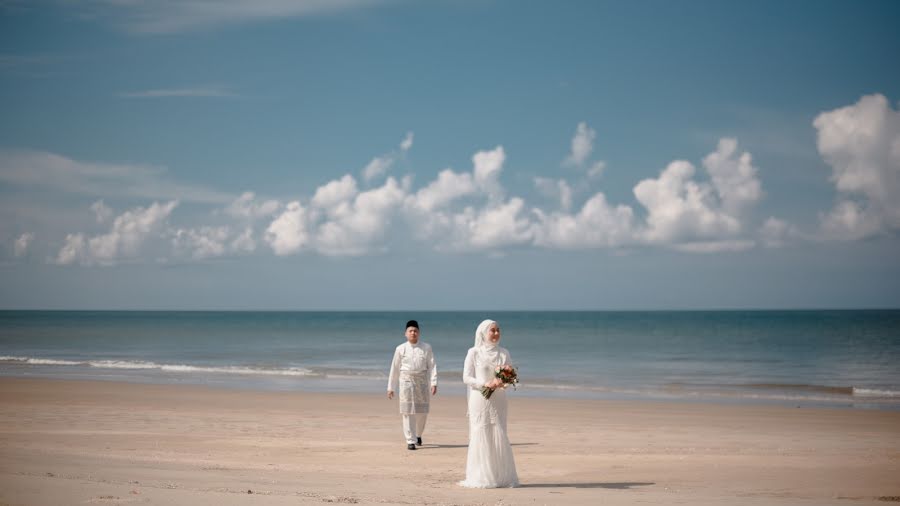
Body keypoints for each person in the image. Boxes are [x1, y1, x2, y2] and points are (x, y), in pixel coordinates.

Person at [459, 319, 519, 488]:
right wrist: (483, 385)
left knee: (499, 431)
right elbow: (466, 377)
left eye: (498, 330)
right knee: (481, 431)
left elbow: (511, 376)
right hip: (480, 398)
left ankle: (500, 476)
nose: (496, 333)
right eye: (492, 330)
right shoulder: (474, 352)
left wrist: (502, 383)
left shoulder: (504, 352)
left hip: (499, 399)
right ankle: (481, 476)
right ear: (483, 333)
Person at [387, 320, 438, 450]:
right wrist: (391, 387)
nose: (413, 333)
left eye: (415, 331)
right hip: (406, 382)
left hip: (421, 381)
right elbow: (395, 368)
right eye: (410, 331)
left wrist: (434, 382)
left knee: (422, 412)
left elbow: (432, 366)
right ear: (405, 333)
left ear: (419, 333)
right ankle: (410, 440)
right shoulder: (400, 348)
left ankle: (418, 435)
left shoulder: (426, 347)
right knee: (407, 411)